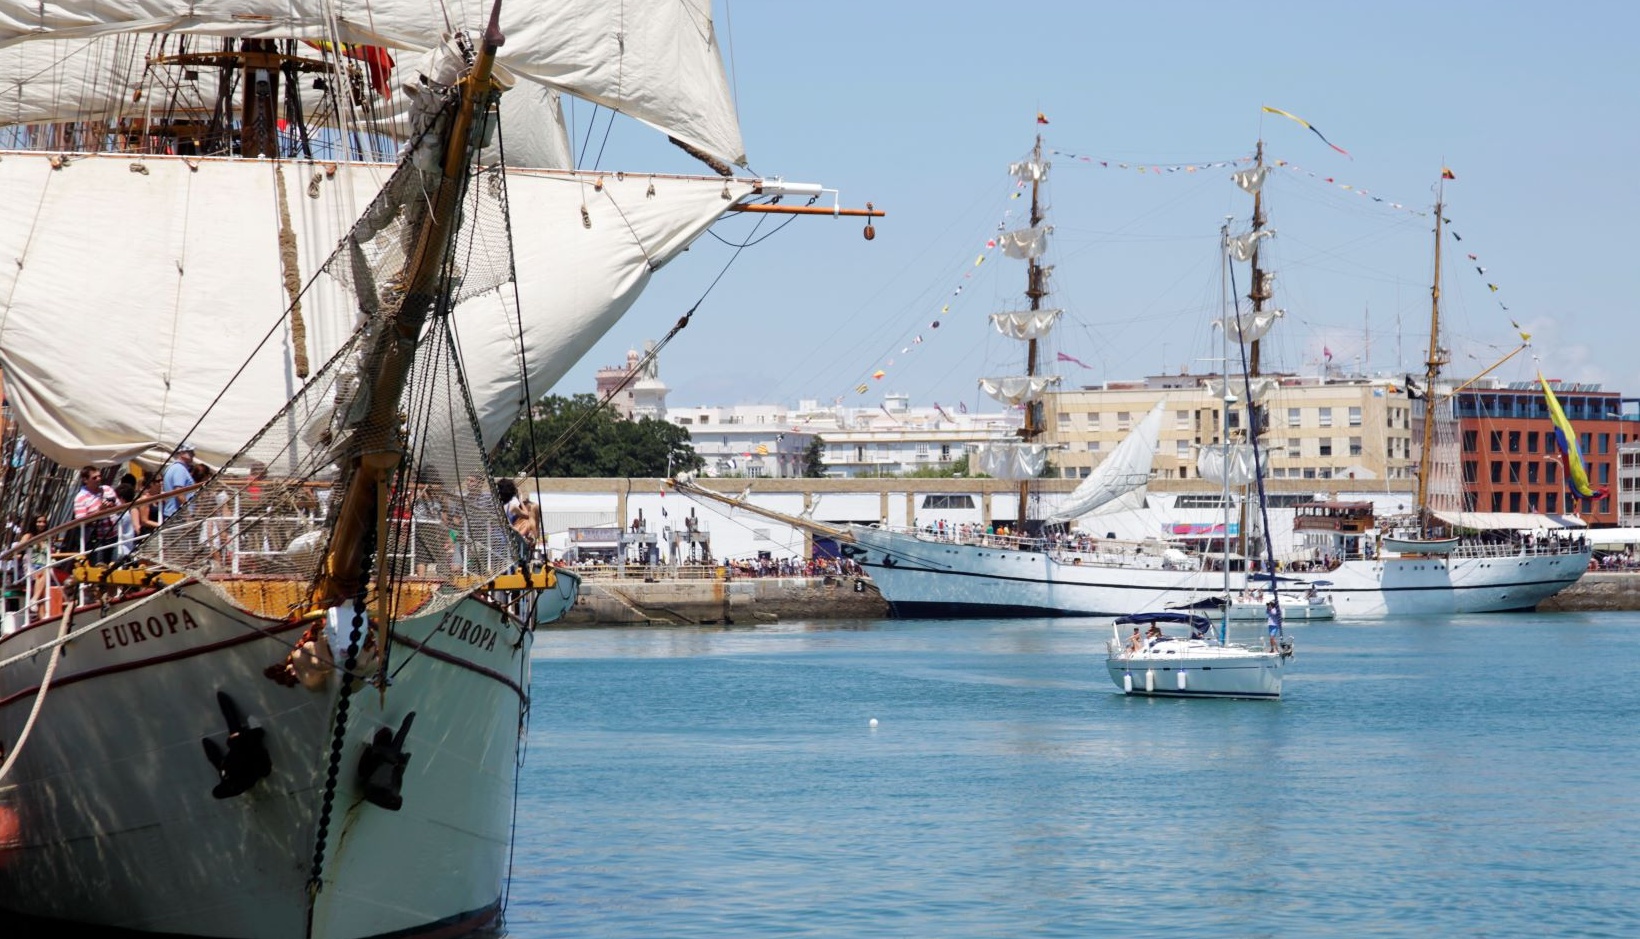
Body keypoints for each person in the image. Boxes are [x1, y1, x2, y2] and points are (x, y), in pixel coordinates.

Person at [161, 442, 198, 518]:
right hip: (178, 515)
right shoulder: (180, 469)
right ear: (182, 453)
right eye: (190, 452)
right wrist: (188, 514)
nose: (193, 455)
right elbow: (179, 493)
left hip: (172, 513)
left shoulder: (172, 467)